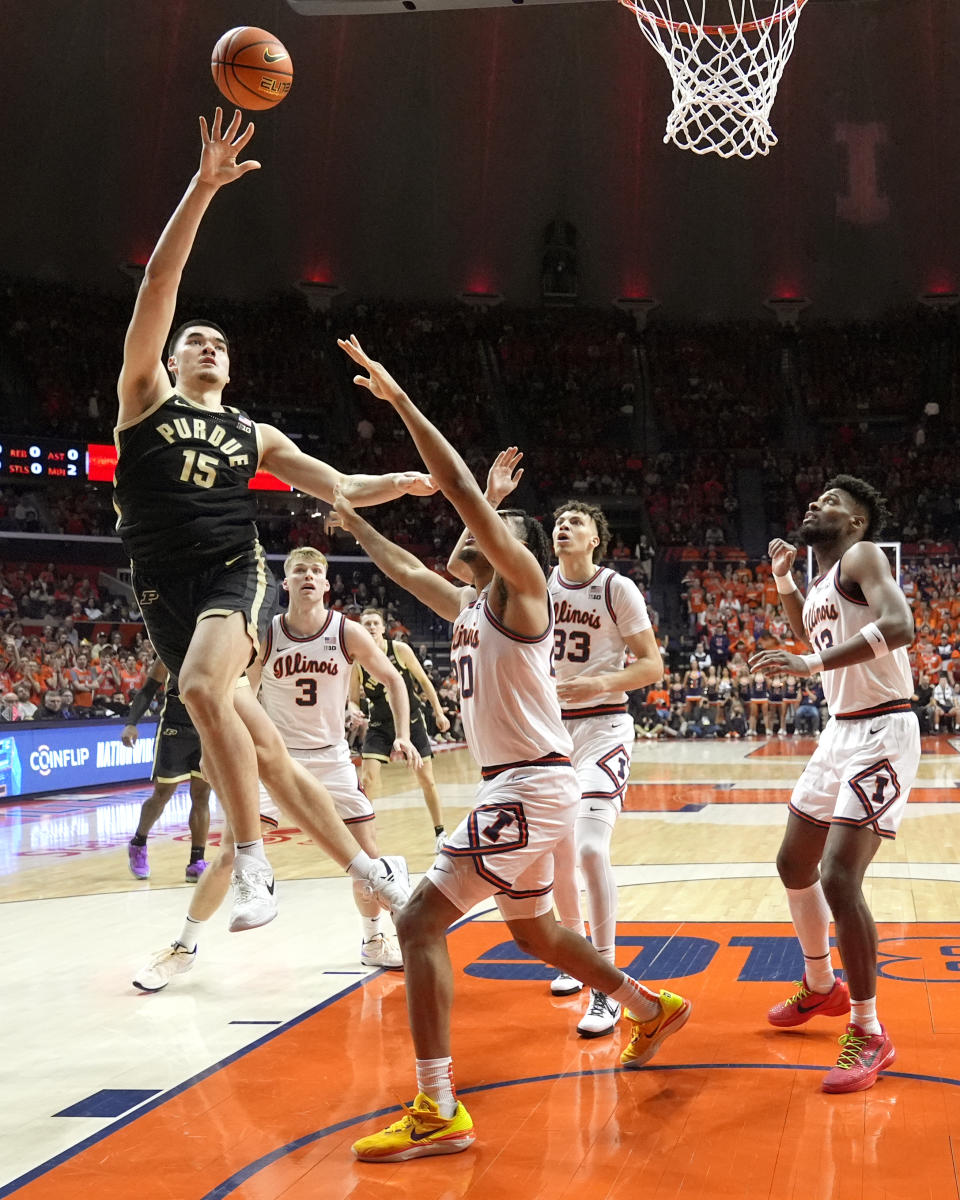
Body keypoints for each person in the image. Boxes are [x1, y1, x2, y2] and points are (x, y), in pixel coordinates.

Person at [329, 338, 690, 1163]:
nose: (460, 537)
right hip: (523, 783)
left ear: (498, 543)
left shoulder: (522, 589)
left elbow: (458, 488)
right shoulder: (466, 606)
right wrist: (352, 522)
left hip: (529, 785)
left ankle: (436, 1107)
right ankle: (646, 1006)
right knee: (533, 933)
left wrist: (400, 402)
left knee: (418, 920)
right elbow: (404, 569)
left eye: (477, 532)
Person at [115, 108, 435, 930]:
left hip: (233, 570)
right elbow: (159, 284)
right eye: (196, 340)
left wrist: (402, 478)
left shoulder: (252, 433)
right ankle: (377, 869)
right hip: (161, 586)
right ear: (172, 359)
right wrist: (203, 185)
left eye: (219, 341)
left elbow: (336, 485)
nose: (208, 345)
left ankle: (253, 865)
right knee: (262, 747)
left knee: (196, 687)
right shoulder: (144, 401)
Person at [132, 547, 422, 991]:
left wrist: (402, 732)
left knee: (366, 853)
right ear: (284, 584)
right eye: (299, 571)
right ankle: (182, 948)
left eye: (317, 571)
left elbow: (394, 678)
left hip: (331, 757)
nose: (308, 576)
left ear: (327, 585)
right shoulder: (262, 634)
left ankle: (373, 940)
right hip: (274, 758)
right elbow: (235, 694)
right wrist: (221, 748)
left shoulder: (345, 631)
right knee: (231, 854)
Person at [750, 475, 919, 1094]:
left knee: (839, 877)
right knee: (794, 861)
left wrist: (811, 664)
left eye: (832, 503)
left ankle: (870, 1032)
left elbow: (900, 626)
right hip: (841, 732)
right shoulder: (826, 579)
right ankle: (822, 987)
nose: (816, 504)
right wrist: (784, 584)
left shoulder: (863, 555)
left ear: (855, 523)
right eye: (815, 497)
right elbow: (810, 636)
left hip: (883, 729)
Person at [543, 499, 662, 1035]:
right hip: (549, 731)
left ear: (596, 539)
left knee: (590, 846)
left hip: (604, 727)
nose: (564, 528)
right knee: (557, 851)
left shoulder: (616, 588)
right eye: (558, 523)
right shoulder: (539, 585)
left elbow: (652, 665)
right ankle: (576, 955)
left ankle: (608, 984)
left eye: (576, 523)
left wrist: (598, 682)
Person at [350, 607, 449, 851]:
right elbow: (352, 698)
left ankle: (440, 833)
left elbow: (424, 681)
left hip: (411, 721)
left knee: (426, 779)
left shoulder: (400, 650)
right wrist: (352, 708)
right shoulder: (357, 662)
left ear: (383, 628)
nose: (371, 627)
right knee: (368, 778)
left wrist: (438, 711)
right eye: (367, 624)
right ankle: (366, 835)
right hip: (380, 725)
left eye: (375, 623)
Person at [123, 660, 211, 883]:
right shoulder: (168, 651)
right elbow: (148, 690)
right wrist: (132, 723)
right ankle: (138, 843)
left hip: (206, 728)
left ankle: (196, 861)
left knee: (202, 796)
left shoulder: (216, 644)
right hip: (175, 729)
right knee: (163, 794)